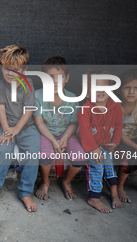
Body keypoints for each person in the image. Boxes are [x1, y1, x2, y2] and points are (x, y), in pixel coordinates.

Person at [0, 45, 40, 212]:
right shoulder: (0, 85)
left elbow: (29, 110)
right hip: (6, 125)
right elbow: (1, 108)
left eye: (16, 70)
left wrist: (17, 129)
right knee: (5, 151)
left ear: (25, 70)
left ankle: (25, 192)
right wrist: (7, 129)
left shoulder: (28, 84)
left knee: (34, 152)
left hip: (26, 126)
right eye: (7, 69)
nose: (11, 74)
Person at [34, 57, 86, 200]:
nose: (55, 81)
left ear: (67, 78)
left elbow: (74, 123)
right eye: (50, 77)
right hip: (46, 133)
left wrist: (64, 138)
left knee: (80, 157)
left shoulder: (72, 97)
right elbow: (39, 123)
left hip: (66, 134)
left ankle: (66, 182)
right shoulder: (38, 95)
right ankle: (45, 182)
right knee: (45, 156)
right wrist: (53, 141)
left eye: (60, 76)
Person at [77, 71, 124, 213]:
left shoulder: (116, 107)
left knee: (109, 167)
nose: (101, 90)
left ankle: (114, 194)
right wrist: (94, 149)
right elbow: (84, 132)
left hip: (107, 146)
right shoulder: (85, 109)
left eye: (105, 86)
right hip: (91, 147)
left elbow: (118, 125)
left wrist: (115, 141)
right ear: (87, 93)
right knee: (97, 167)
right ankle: (94, 197)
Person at [115, 70, 137, 203]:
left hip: (136, 139)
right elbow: (120, 134)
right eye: (127, 87)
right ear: (119, 90)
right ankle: (120, 187)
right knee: (129, 156)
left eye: (136, 88)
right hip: (118, 139)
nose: (131, 92)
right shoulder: (115, 107)